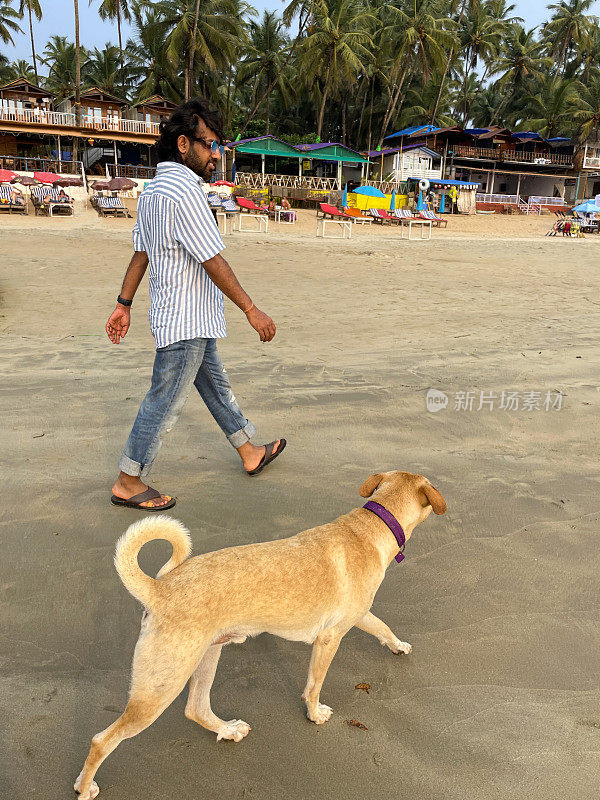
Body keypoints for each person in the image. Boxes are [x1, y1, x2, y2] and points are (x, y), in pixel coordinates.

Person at [106, 98, 286, 511]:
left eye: (219, 145)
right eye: (210, 145)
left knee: (216, 387)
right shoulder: (184, 193)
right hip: (184, 321)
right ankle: (128, 480)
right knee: (164, 400)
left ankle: (249, 451)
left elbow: (141, 254)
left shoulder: (153, 190)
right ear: (184, 144)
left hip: (190, 319)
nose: (217, 155)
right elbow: (213, 259)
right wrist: (251, 309)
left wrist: (123, 303)